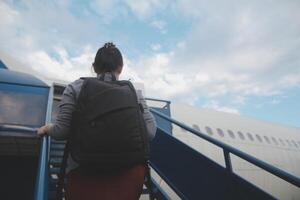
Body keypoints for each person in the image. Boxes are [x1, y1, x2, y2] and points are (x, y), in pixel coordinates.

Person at [37, 42, 157, 200]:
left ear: (94, 67)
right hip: (128, 180)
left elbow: (61, 131)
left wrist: (47, 128)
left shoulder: (75, 88)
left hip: (84, 176)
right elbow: (150, 132)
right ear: (121, 67)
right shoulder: (134, 92)